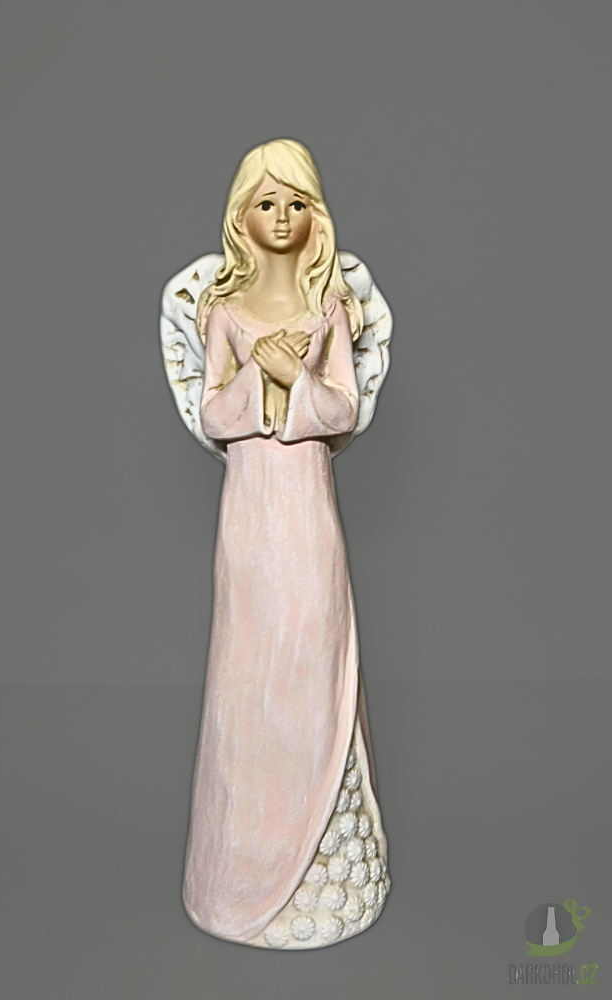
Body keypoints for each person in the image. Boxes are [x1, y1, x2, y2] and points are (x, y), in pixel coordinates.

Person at [182, 139, 389, 949]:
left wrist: (293, 380)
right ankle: (240, 868)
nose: (281, 217)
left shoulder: (329, 306)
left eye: (296, 203)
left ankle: (323, 851)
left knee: (311, 652)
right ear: (242, 215)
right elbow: (213, 414)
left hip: (306, 512)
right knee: (248, 667)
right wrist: (257, 376)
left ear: (314, 215)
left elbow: (342, 409)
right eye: (266, 203)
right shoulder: (224, 311)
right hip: (248, 515)